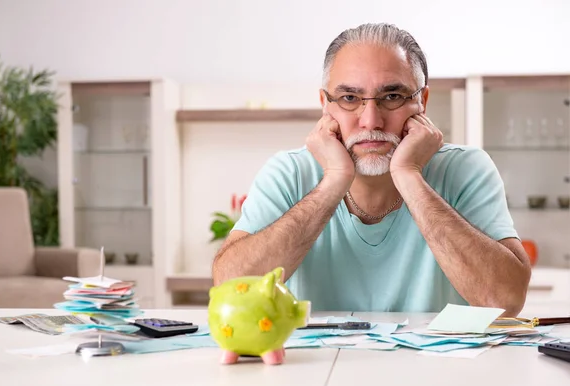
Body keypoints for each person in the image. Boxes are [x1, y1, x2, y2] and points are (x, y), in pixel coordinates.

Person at [212, 22, 531, 317]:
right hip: (313, 372)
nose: (371, 120)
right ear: (326, 104)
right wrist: (334, 181)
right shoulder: (288, 172)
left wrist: (409, 175)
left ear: (423, 101)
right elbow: (230, 287)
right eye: (349, 97)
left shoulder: (466, 169)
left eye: (392, 96)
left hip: (437, 372)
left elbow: (504, 302)